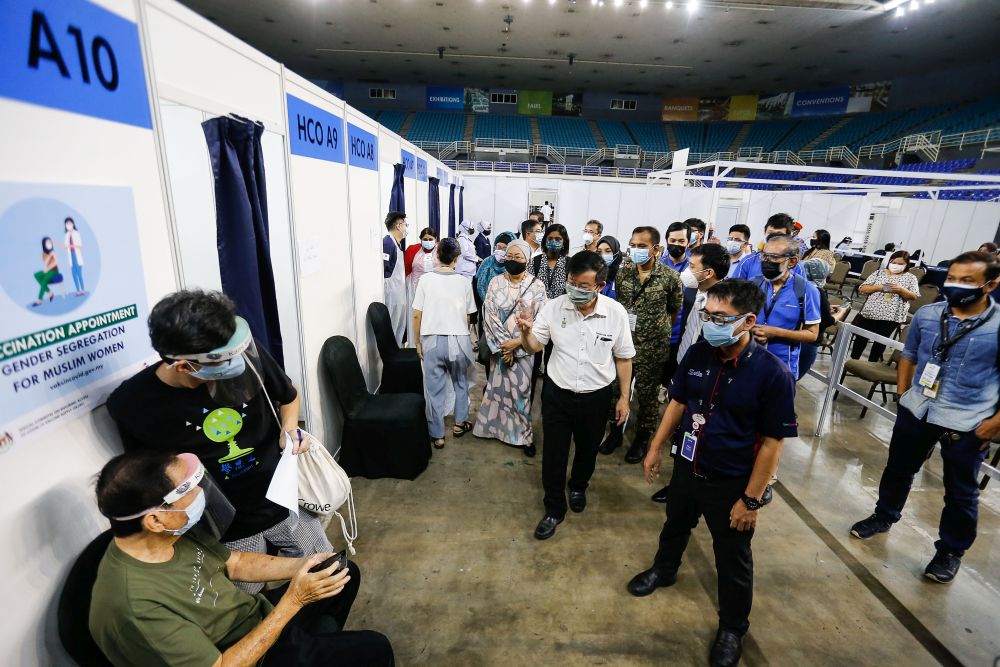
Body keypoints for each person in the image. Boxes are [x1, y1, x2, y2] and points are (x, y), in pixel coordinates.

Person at [106, 290, 331, 593]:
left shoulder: (244, 356)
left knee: (324, 572)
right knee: (246, 604)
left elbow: (288, 395)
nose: (234, 364)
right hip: (224, 527)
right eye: (222, 362)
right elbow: (152, 479)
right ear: (183, 365)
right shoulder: (133, 405)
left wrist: (289, 431)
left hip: (284, 498)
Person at [89, 451, 394, 666]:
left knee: (342, 574)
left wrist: (305, 565)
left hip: (255, 618)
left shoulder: (170, 532)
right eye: (188, 490)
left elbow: (233, 562)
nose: (199, 495)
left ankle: (315, 647)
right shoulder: (135, 608)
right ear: (155, 520)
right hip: (243, 656)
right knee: (374, 649)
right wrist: (294, 600)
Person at [630, 280, 796, 667]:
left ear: (748, 321)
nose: (710, 324)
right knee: (674, 525)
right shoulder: (699, 352)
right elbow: (678, 403)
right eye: (707, 315)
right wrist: (655, 447)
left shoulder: (773, 374)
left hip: (732, 481)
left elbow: (773, 444)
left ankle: (733, 627)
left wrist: (750, 501)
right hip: (688, 467)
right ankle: (664, 570)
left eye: (720, 318)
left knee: (732, 557)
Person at [850, 251, 1000, 584]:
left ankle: (950, 550)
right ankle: (884, 515)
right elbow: (909, 355)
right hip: (918, 408)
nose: (956, 285)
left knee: (960, 491)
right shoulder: (929, 315)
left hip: (968, 419)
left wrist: (994, 423)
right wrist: (904, 395)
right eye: (952, 278)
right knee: (898, 470)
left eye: (967, 281)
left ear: (990, 285)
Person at [516, 251, 635, 540]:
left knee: (587, 450)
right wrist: (524, 333)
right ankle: (554, 508)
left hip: (596, 397)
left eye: (583, 286)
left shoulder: (615, 313)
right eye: (571, 282)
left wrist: (623, 398)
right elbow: (534, 347)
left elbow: (623, 358)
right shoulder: (554, 308)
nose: (575, 290)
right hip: (557, 394)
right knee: (554, 454)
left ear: (600, 286)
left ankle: (579, 486)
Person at [649, 243, 730, 504]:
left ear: (708, 272)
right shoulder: (695, 292)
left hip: (704, 375)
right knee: (682, 432)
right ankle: (679, 483)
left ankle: (690, 487)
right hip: (685, 365)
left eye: (692, 266)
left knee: (696, 431)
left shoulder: (722, 304)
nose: (687, 271)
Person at [600, 226, 682, 463]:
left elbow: (674, 310)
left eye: (642, 246)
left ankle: (642, 438)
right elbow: (621, 306)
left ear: (655, 249)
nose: (636, 250)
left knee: (647, 396)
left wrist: (656, 330)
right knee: (617, 390)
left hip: (653, 348)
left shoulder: (670, 277)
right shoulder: (624, 273)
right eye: (633, 245)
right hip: (625, 343)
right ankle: (616, 431)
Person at [473, 239, 546, 456]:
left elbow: (541, 321)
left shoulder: (537, 286)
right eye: (509, 256)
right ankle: (495, 429)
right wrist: (505, 346)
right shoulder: (495, 282)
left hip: (524, 349)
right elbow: (489, 315)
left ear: (527, 260)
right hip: (500, 348)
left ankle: (523, 436)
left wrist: (516, 344)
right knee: (497, 390)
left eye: (518, 257)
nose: (513, 260)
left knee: (521, 394)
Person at [412, 238, 478, 449]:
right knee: (461, 382)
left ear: (437, 255)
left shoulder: (425, 280)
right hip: (458, 339)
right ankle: (459, 423)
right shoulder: (464, 282)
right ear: (457, 259)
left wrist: (417, 342)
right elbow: (469, 316)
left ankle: (437, 435)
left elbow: (417, 315)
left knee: (434, 389)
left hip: (431, 339)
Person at [749, 235, 821, 379]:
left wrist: (776, 332)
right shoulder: (753, 284)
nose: (767, 261)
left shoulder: (806, 290)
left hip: (782, 366)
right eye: (764, 256)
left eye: (774, 257)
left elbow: (812, 334)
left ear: (792, 261)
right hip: (748, 361)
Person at [850, 250, 919, 362]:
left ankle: (872, 364)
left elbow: (913, 296)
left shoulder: (911, 278)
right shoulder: (879, 273)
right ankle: (853, 361)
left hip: (891, 317)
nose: (896, 265)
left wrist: (901, 290)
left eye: (900, 264)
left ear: (907, 264)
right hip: (870, 313)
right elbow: (863, 288)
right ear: (890, 261)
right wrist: (879, 287)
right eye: (894, 262)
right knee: (861, 339)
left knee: (880, 342)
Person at [799, 258, 850, 381]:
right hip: (808, 342)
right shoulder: (816, 291)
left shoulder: (798, 287)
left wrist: (826, 308)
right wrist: (841, 313)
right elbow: (827, 321)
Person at [730, 213, 806, 280]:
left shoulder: (796, 266)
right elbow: (734, 288)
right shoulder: (748, 262)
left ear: (788, 236)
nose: (773, 237)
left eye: (779, 234)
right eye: (770, 233)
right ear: (764, 231)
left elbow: (802, 289)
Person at [404, 228, 439, 344]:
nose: (428, 241)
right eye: (425, 239)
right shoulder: (412, 250)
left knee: (432, 317)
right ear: (421, 240)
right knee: (415, 316)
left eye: (430, 239)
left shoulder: (441, 250)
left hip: (434, 289)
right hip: (415, 288)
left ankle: (431, 345)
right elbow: (406, 268)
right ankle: (414, 344)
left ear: (436, 239)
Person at [382, 211, 408, 344]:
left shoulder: (397, 244)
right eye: (405, 225)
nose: (406, 228)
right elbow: (384, 270)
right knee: (391, 330)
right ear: (398, 226)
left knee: (399, 329)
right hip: (392, 295)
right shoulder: (388, 243)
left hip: (399, 295)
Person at [529, 223, 571, 301]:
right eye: (550, 238)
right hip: (539, 306)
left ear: (564, 241)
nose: (553, 241)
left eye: (558, 239)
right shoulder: (535, 262)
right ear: (545, 240)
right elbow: (528, 287)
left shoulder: (570, 263)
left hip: (561, 306)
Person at [474, 231, 516, 302]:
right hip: (484, 303)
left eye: (505, 248)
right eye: (498, 247)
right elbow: (477, 281)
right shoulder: (487, 262)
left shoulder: (514, 265)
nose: (501, 251)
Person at [32, 236, 59, 306]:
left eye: (50, 242)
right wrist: (50, 255)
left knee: (44, 280)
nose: (49, 244)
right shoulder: (44, 253)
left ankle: (39, 300)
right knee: (36, 275)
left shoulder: (53, 252)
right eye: (47, 243)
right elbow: (46, 262)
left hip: (54, 270)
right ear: (44, 244)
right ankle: (49, 292)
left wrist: (47, 269)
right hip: (47, 270)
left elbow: (56, 262)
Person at [64, 217, 86, 296]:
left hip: (77, 256)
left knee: (79, 273)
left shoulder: (76, 233)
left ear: (73, 224)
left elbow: (80, 246)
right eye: (67, 224)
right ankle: (78, 290)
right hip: (71, 256)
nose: (68, 225)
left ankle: (83, 289)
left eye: (69, 223)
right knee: (74, 274)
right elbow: (66, 246)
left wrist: (73, 245)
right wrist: (67, 246)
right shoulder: (66, 235)